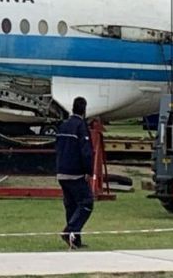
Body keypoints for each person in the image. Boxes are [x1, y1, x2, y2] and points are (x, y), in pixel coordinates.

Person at [55, 96, 94, 250]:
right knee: (86, 203)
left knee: (71, 206)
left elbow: (57, 147)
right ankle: (70, 231)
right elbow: (86, 152)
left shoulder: (63, 126)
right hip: (75, 173)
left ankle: (75, 241)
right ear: (84, 110)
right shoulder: (81, 127)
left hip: (61, 172)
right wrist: (88, 171)